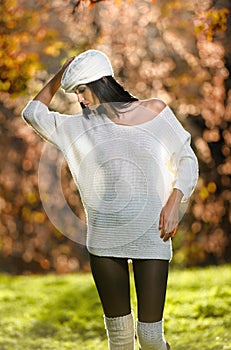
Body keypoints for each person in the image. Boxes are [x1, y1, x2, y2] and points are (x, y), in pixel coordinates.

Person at [22, 49, 199, 350]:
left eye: (81, 90)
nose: (80, 99)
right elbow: (32, 113)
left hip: (151, 233)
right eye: (76, 91)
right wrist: (62, 71)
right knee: (119, 340)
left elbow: (187, 159)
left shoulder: (155, 111)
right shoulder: (78, 127)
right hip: (105, 240)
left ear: (102, 81)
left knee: (151, 338)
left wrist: (174, 202)